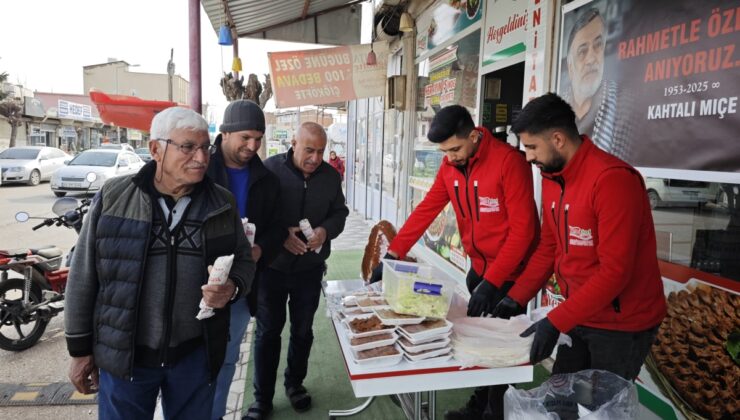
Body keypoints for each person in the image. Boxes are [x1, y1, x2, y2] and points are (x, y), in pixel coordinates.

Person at [64, 106, 256, 420]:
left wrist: (232, 287)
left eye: (204, 148)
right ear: (156, 149)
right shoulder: (114, 197)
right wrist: (80, 351)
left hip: (195, 354)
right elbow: (83, 277)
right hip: (126, 357)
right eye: (187, 147)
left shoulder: (221, 203)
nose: (201, 158)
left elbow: (245, 263)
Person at [370, 105, 538, 420]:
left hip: (512, 277)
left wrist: (495, 282)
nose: (451, 157)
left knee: (503, 353)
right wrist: (393, 255)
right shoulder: (450, 168)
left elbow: (523, 232)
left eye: (456, 149)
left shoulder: (509, 162)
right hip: (479, 271)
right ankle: (481, 405)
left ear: (474, 135)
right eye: (445, 151)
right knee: (480, 344)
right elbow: (426, 210)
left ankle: (495, 413)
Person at [493, 92, 666, 381]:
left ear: (558, 139)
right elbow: (549, 247)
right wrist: (515, 297)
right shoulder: (553, 177)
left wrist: (555, 321)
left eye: (532, 146)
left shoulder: (612, 180)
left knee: (602, 409)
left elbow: (615, 271)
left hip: (622, 324)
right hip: (580, 312)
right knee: (562, 398)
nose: (528, 156)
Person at [246, 122, 349, 419]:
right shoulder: (269, 171)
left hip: (309, 269)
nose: (315, 158)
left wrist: (325, 231)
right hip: (272, 269)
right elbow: (254, 217)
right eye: (308, 150)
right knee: (268, 332)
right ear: (293, 142)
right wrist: (281, 236)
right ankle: (262, 398)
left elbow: (339, 212)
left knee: (303, 331)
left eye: (320, 151)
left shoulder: (330, 176)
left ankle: (295, 384)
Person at [207, 100, 284, 420]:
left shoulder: (267, 179)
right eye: (245, 138)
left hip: (240, 286)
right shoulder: (199, 168)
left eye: (258, 139)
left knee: (226, 360)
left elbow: (277, 227)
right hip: (193, 283)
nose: (253, 146)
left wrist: (259, 250)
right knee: (191, 364)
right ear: (224, 134)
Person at [563, 7, 630, 160]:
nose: (592, 59)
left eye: (598, 45)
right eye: (582, 51)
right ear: (570, 66)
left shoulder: (623, 108)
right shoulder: (557, 114)